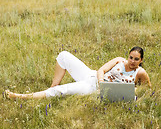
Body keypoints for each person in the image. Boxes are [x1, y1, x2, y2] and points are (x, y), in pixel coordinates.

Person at [5, 46, 151, 100]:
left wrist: (128, 90)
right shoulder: (120, 60)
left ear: (141, 60)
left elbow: (147, 90)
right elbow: (102, 70)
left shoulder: (140, 72)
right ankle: (52, 85)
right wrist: (102, 83)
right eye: (130, 57)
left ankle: (20, 97)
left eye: (136, 59)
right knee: (63, 55)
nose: (132, 61)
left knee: (61, 91)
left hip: (93, 89)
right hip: (93, 77)